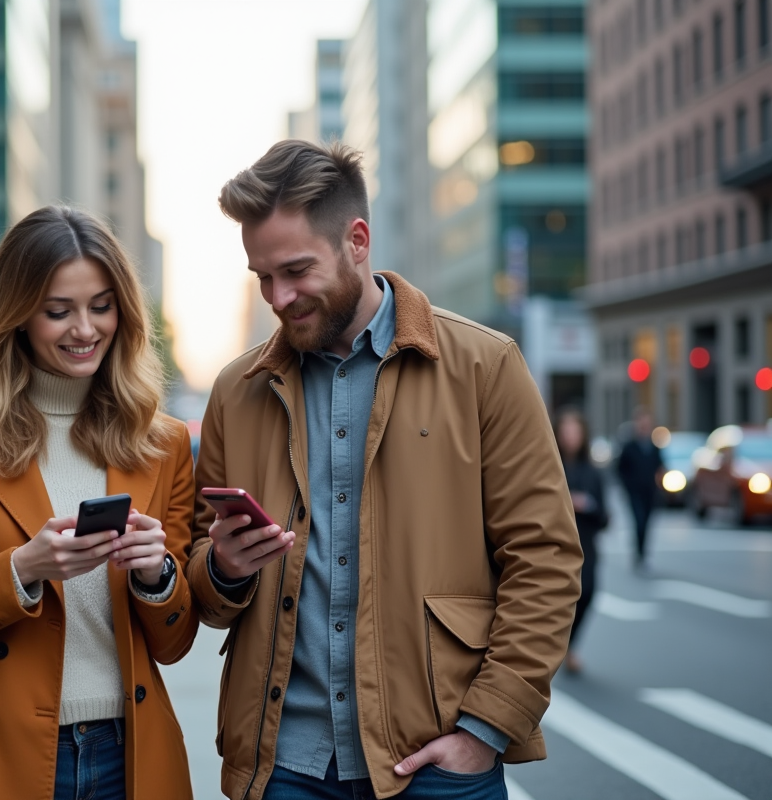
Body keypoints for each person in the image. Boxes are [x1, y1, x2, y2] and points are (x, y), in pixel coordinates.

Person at [186, 140, 582, 800]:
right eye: (262, 278)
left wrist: (485, 729)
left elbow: (545, 558)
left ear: (358, 240)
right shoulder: (236, 390)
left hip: (436, 759)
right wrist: (223, 567)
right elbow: (204, 586)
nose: (278, 297)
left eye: (296, 271)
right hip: (285, 767)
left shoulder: (486, 366)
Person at [0, 205, 199, 799]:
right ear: (18, 315)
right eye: (59, 311)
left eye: (101, 305)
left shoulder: (163, 443)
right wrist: (22, 570)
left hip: (130, 758)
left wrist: (157, 575)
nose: (85, 329)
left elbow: (174, 645)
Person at [555, 408, 609, 674]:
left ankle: (569, 645)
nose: (570, 437)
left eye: (574, 431)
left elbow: (604, 516)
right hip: (554, 545)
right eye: (565, 431)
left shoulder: (593, 472)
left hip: (586, 543)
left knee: (587, 593)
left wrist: (585, 505)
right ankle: (561, 649)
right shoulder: (549, 466)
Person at [616, 406, 663, 571]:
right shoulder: (629, 447)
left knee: (647, 523)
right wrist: (627, 486)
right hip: (634, 491)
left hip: (650, 492)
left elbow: (660, 467)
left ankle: (643, 553)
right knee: (639, 521)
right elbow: (620, 469)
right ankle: (638, 554)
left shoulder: (654, 447)